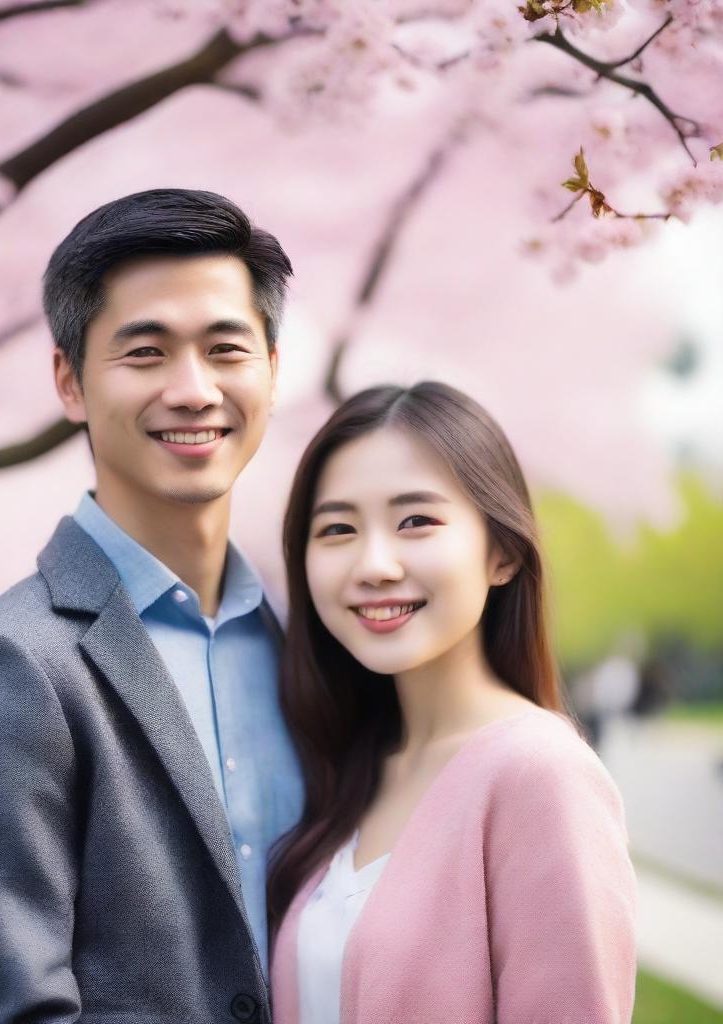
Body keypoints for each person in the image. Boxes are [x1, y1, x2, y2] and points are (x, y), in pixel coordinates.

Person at [0, 188, 303, 1023]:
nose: (195, 392)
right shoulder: (6, 666)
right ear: (71, 381)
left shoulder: (308, 649)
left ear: (273, 369)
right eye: (146, 352)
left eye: (227, 348)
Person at [268, 382, 637, 1024]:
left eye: (416, 521)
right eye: (337, 529)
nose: (374, 564)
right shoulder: (354, 761)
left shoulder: (541, 776)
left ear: (502, 552)